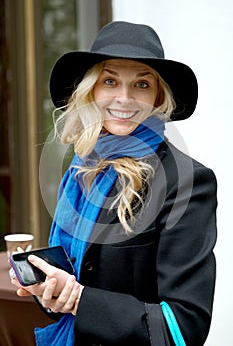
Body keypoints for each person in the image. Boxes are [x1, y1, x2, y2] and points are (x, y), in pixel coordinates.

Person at [11, 21, 217, 346]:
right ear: (91, 90)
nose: (124, 98)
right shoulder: (83, 168)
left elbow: (184, 327)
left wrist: (80, 299)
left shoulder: (188, 181)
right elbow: (73, 286)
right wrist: (49, 289)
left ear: (158, 96)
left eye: (142, 85)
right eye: (110, 81)